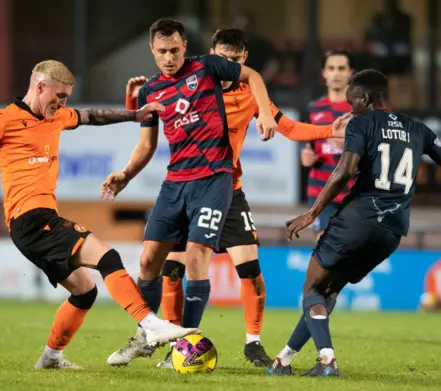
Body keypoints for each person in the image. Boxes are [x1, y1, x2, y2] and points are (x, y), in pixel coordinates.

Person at [0, 60, 200, 370]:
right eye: (59, 96)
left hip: (34, 225)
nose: (62, 104)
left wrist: (135, 115)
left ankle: (50, 358)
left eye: (67, 98)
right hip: (30, 218)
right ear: (39, 87)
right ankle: (151, 324)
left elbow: (91, 117)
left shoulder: (57, 116)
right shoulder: (3, 121)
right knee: (107, 258)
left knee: (84, 291)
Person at [107, 28, 349, 369]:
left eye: (233, 61)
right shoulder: (193, 79)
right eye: (222, 58)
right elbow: (153, 118)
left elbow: (290, 128)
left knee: (248, 270)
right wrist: (133, 102)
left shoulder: (242, 90)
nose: (226, 65)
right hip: (185, 184)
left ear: (242, 60)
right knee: (170, 268)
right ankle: (167, 338)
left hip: (225, 188)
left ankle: (250, 342)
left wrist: (327, 130)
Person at [267, 69, 441, 377]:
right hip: (392, 232)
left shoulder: (362, 123)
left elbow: (345, 171)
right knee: (328, 292)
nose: (351, 111)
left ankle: (326, 360)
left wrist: (312, 212)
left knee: (312, 289)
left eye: (353, 104)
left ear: (365, 98)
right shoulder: (417, 128)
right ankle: (284, 359)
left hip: (357, 219)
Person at [100, 19, 278, 366]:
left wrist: (267, 113)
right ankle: (146, 334)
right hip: (175, 181)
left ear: (185, 47)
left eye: (175, 50)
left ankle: (186, 344)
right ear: (152, 51)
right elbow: (146, 145)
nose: (169, 58)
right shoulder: (149, 92)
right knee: (149, 259)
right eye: (162, 52)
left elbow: (252, 76)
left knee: (196, 258)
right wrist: (126, 174)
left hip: (214, 177)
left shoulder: (207, 66)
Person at [301, 50, 354, 240]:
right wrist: (305, 156)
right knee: (325, 249)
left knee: (350, 253)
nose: (336, 73)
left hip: (353, 194)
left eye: (341, 68)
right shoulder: (314, 110)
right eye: (331, 68)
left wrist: (347, 147)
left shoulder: (362, 111)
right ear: (324, 73)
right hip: (321, 191)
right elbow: (306, 147)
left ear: (350, 72)